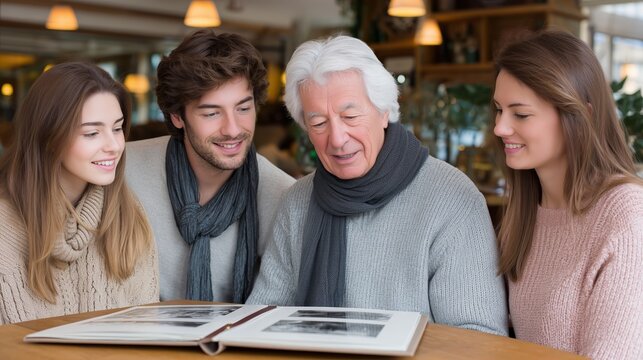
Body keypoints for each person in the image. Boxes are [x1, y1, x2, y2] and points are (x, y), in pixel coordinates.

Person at [247, 35, 508, 336]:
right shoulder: (297, 202)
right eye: (318, 123)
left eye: (350, 116)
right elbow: (264, 320)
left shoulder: (452, 199)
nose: (337, 138)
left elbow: (478, 338)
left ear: (384, 111)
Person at [493, 30, 643, 359]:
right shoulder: (524, 213)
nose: (500, 128)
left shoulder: (626, 213)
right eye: (498, 110)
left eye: (520, 114)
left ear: (581, 115)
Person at [125, 30, 295, 303]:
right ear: (177, 116)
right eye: (212, 113)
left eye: (243, 108)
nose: (232, 129)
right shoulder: (124, 173)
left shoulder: (282, 196)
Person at [0, 62, 159, 324]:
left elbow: (148, 329)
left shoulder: (128, 216)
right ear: (48, 137)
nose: (114, 146)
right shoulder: (6, 226)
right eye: (92, 132)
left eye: (117, 128)